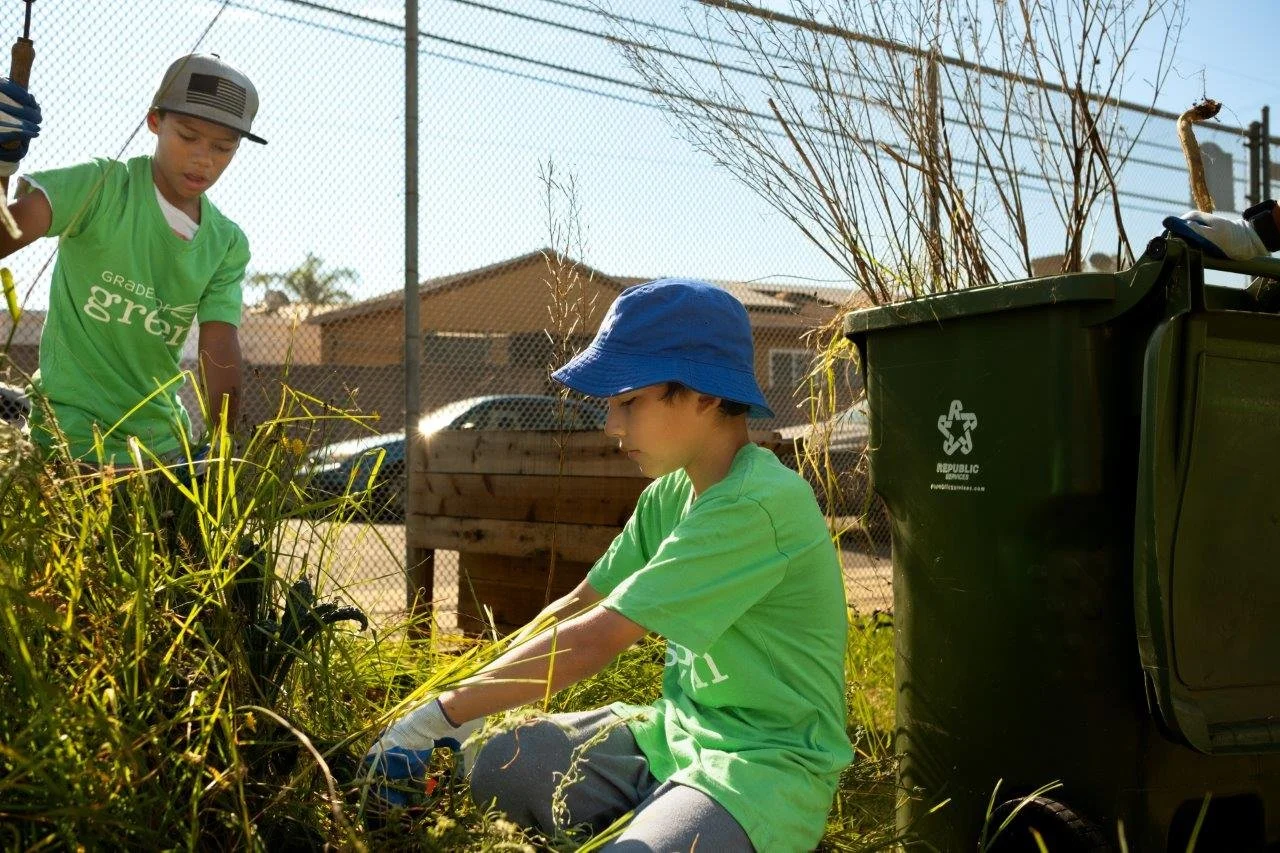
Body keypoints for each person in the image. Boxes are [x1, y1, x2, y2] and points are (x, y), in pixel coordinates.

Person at [364, 279, 854, 852]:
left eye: (628, 402)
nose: (611, 426)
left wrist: (440, 715)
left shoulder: (757, 504)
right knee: (497, 760)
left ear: (704, 395)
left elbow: (594, 640)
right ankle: (661, 814)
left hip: (761, 766)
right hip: (671, 736)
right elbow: (578, 607)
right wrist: (468, 701)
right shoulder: (670, 495)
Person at [0, 53, 265, 467]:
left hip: (163, 449)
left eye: (222, 147)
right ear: (155, 121)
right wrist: (2, 162)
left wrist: (223, 444)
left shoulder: (226, 242)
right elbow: (7, 234)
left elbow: (219, 344)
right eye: (188, 136)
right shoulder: (100, 187)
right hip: (68, 439)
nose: (204, 158)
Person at [1164, 199, 1280, 260]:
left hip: (1248, 239)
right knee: (1192, 217)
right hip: (1251, 235)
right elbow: (1247, 214)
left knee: (1190, 222)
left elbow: (1170, 222)